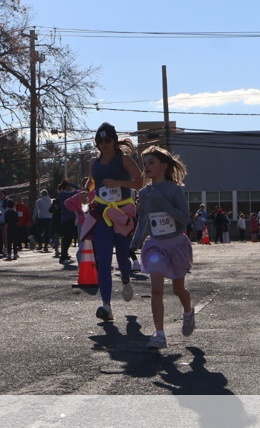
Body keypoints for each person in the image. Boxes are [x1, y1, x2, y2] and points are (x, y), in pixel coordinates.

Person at [132, 146, 195, 350]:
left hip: (176, 244)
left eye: (151, 162)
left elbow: (184, 219)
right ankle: (159, 335)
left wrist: (164, 203)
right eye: (145, 164)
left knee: (178, 289)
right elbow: (143, 220)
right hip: (155, 246)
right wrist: (136, 241)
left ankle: (188, 312)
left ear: (164, 166)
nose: (146, 167)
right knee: (156, 290)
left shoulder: (174, 189)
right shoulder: (143, 192)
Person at [83, 123, 142, 322]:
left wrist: (119, 183)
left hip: (122, 212)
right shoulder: (94, 162)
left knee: (123, 257)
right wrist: (87, 190)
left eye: (107, 139)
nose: (103, 143)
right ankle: (106, 305)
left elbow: (140, 181)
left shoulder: (124, 159)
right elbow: (92, 182)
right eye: (99, 140)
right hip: (102, 213)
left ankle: (126, 279)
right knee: (104, 259)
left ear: (114, 140)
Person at [56, 179, 80, 265]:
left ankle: (65, 256)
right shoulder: (64, 194)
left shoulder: (62, 194)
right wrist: (73, 184)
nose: (71, 188)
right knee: (67, 239)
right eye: (69, 186)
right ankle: (63, 257)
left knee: (67, 238)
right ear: (67, 186)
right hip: (68, 218)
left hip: (67, 218)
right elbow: (80, 191)